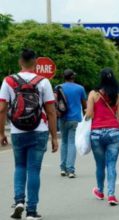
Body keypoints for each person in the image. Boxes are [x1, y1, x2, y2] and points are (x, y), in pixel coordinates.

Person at [0, 49, 58, 220]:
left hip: (17, 131)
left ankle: (19, 201)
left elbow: (2, 108)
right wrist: (54, 137)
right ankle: (31, 211)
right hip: (39, 130)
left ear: (20, 62)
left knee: (20, 166)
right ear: (35, 64)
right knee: (34, 170)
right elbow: (51, 111)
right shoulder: (43, 82)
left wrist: (1, 132)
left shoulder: (8, 81)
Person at [85, 67, 119, 206]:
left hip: (96, 133)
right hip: (114, 133)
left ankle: (100, 191)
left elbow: (89, 114)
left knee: (100, 165)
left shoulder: (93, 94)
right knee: (111, 165)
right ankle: (112, 195)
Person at [58, 69, 87, 178]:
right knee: (71, 143)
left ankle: (62, 168)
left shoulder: (58, 87)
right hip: (75, 118)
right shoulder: (80, 88)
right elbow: (84, 105)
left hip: (62, 117)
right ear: (73, 77)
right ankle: (70, 170)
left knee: (64, 142)